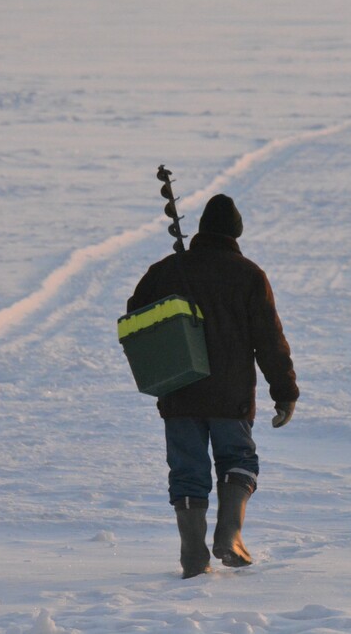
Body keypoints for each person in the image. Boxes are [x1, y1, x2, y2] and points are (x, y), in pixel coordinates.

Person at [127, 193, 299, 578]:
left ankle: (192, 554)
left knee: (187, 472)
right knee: (237, 461)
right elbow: (270, 340)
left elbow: (135, 317)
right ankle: (230, 535)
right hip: (231, 396)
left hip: (179, 392)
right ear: (236, 233)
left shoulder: (168, 270)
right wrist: (285, 391)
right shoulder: (250, 276)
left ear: (202, 230)